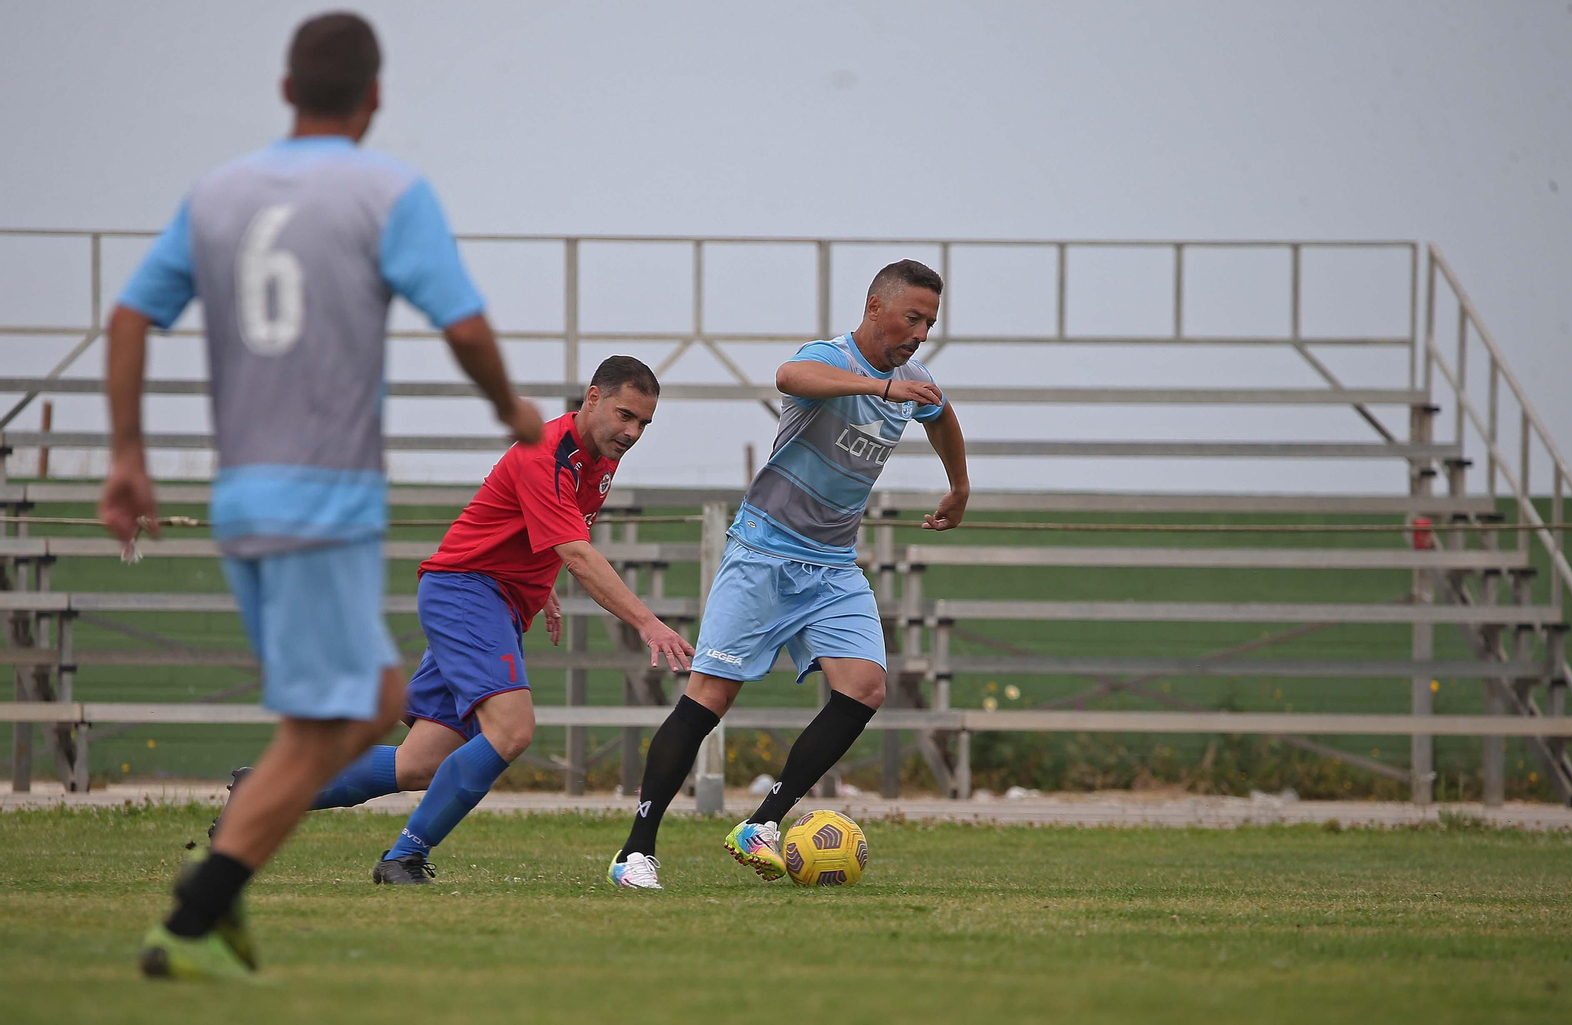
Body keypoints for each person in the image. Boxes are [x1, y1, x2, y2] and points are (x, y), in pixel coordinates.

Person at [100, 12, 544, 979]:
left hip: (241, 498)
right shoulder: (387, 192)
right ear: (375, 98)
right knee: (363, 706)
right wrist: (512, 406)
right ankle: (196, 909)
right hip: (326, 500)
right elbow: (462, 323)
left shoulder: (215, 194)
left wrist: (127, 453)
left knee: (343, 711)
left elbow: (132, 314)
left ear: (285, 90)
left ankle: (209, 909)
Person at [607, 259, 969, 890]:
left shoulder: (916, 379)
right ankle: (636, 851)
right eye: (912, 317)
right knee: (708, 700)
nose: (920, 332)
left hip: (832, 565)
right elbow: (788, 374)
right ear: (875, 305)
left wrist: (959, 488)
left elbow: (942, 418)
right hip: (764, 553)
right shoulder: (828, 358)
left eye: (930, 322)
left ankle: (763, 825)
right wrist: (879, 391)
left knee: (865, 688)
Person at [263, 356, 694, 884]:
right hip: (467, 593)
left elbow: (546, 532)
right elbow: (578, 553)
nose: (632, 432)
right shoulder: (547, 451)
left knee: (420, 762)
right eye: (626, 415)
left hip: (493, 599)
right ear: (593, 397)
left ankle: (263, 791)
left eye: (644, 424)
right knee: (511, 731)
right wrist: (647, 622)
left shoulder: (600, 457)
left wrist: (542, 584)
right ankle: (403, 858)